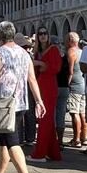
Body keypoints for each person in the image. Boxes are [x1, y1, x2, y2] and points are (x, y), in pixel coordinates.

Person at [0, 21, 46, 173]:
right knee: (4, 138)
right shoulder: (24, 53)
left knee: (12, 142)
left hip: (3, 103)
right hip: (21, 103)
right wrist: (39, 101)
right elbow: (32, 79)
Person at [30, 28, 62, 162]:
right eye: (40, 34)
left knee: (45, 119)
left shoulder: (53, 49)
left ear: (48, 36)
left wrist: (40, 63)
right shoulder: (38, 51)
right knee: (47, 120)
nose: (43, 36)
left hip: (49, 86)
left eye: (45, 33)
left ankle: (40, 153)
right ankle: (53, 153)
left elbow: (56, 68)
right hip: (40, 85)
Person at [65, 32, 87, 148]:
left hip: (74, 86)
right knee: (82, 113)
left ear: (70, 40)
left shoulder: (71, 52)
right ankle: (85, 138)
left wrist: (66, 84)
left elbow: (70, 71)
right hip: (83, 85)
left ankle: (76, 139)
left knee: (74, 113)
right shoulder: (82, 51)